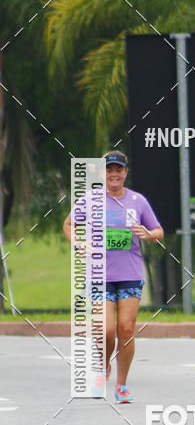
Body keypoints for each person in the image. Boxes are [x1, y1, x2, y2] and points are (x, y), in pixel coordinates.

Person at [63, 151, 164, 403]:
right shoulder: (90, 199)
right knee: (106, 330)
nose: (114, 174)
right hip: (99, 273)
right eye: (109, 170)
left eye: (118, 170)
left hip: (130, 273)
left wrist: (147, 234)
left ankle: (121, 385)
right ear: (102, 174)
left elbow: (159, 231)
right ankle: (103, 363)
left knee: (126, 329)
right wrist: (77, 244)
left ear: (126, 172)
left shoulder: (137, 201)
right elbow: (68, 224)